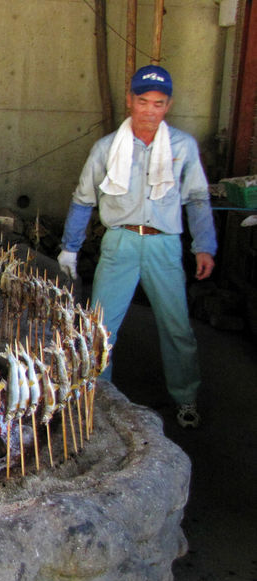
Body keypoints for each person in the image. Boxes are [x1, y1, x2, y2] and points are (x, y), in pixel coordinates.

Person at [58, 64, 216, 430]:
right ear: (130, 101)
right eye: (142, 101)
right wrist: (70, 247)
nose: (149, 110)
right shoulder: (107, 148)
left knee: (176, 326)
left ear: (168, 105)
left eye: (158, 103)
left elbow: (196, 198)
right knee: (101, 328)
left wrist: (204, 246)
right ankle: (98, 401)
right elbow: (83, 200)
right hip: (120, 243)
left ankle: (185, 397)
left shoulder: (182, 147)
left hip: (165, 245)